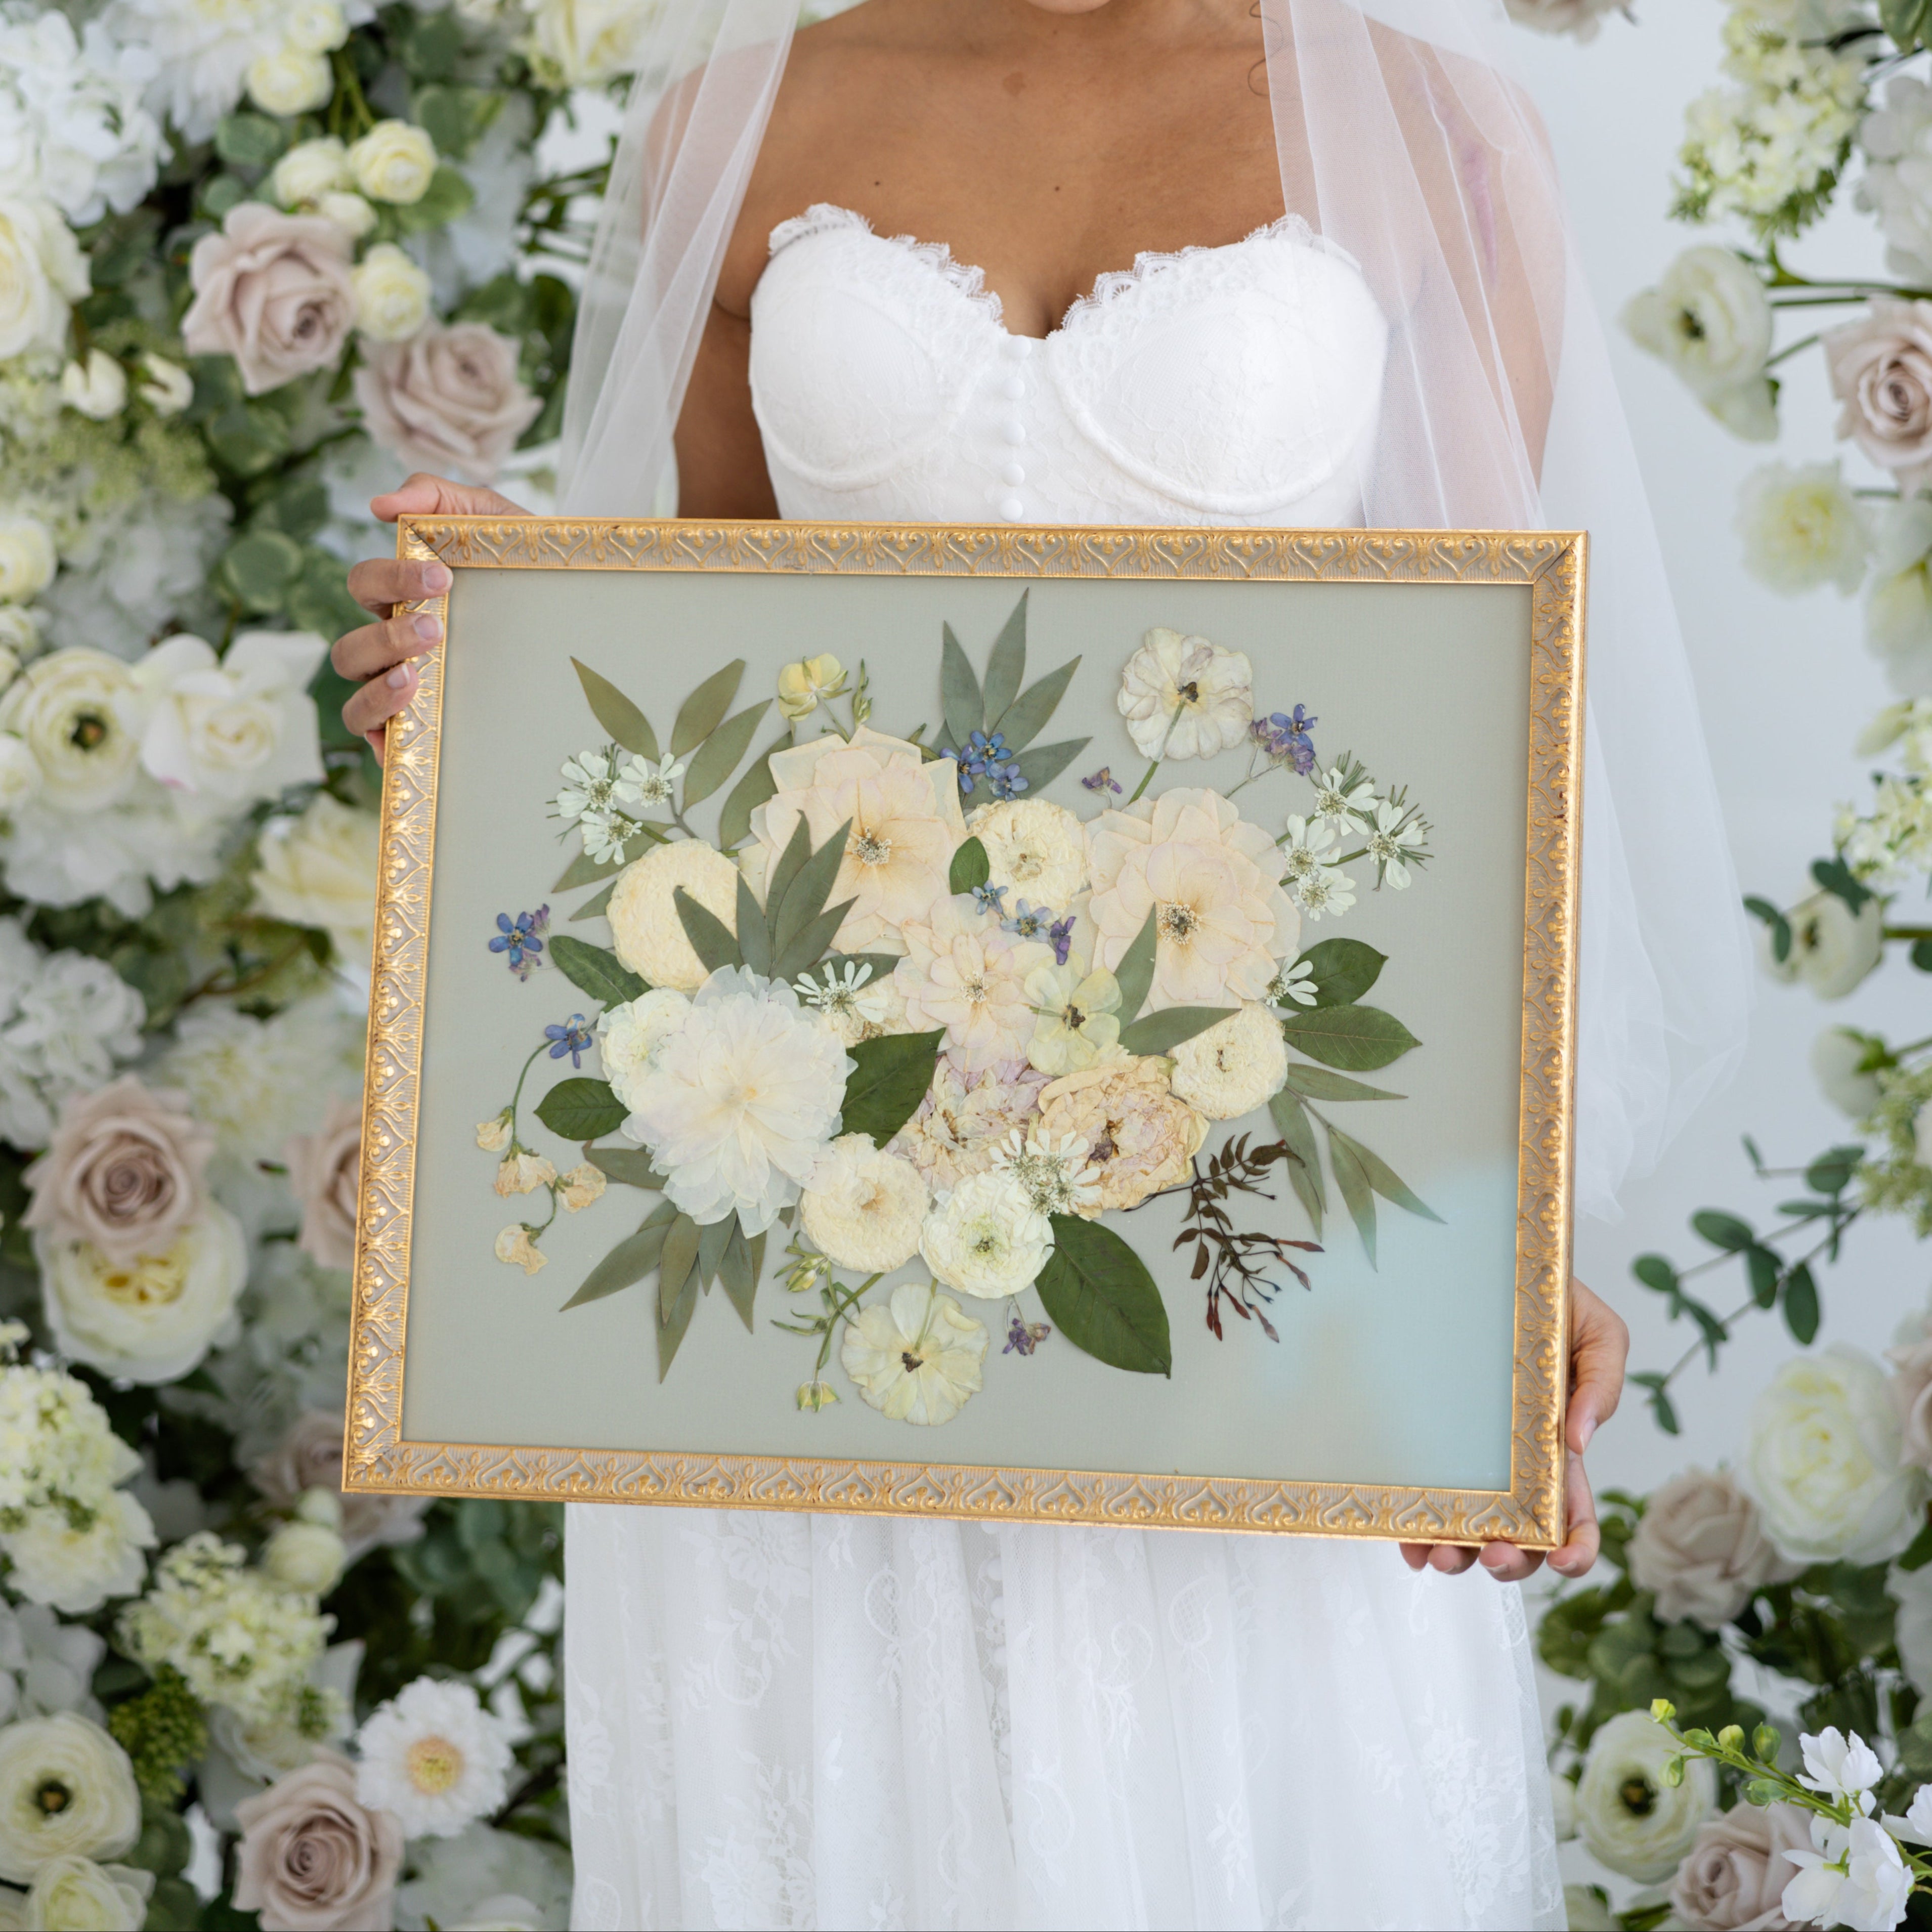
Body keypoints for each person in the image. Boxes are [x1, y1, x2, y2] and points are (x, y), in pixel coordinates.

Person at [329, 2, 1749, 1923]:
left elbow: (1483, 751)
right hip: (826, 1285)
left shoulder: (1445, 140)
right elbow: (708, 706)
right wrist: (497, 662)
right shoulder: (726, 124)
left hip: (1255, 1267)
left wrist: (1504, 1248)